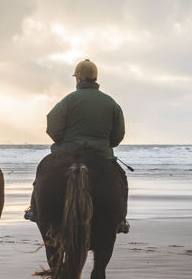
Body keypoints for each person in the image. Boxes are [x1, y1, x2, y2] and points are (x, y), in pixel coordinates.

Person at [24, 59, 130, 232]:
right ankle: (120, 220)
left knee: (43, 170)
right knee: (121, 179)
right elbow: (118, 136)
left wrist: (62, 142)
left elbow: (52, 127)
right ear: (95, 78)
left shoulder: (68, 101)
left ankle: (34, 210)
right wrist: (104, 144)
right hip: (100, 153)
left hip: (68, 152)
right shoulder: (110, 103)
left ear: (78, 78)